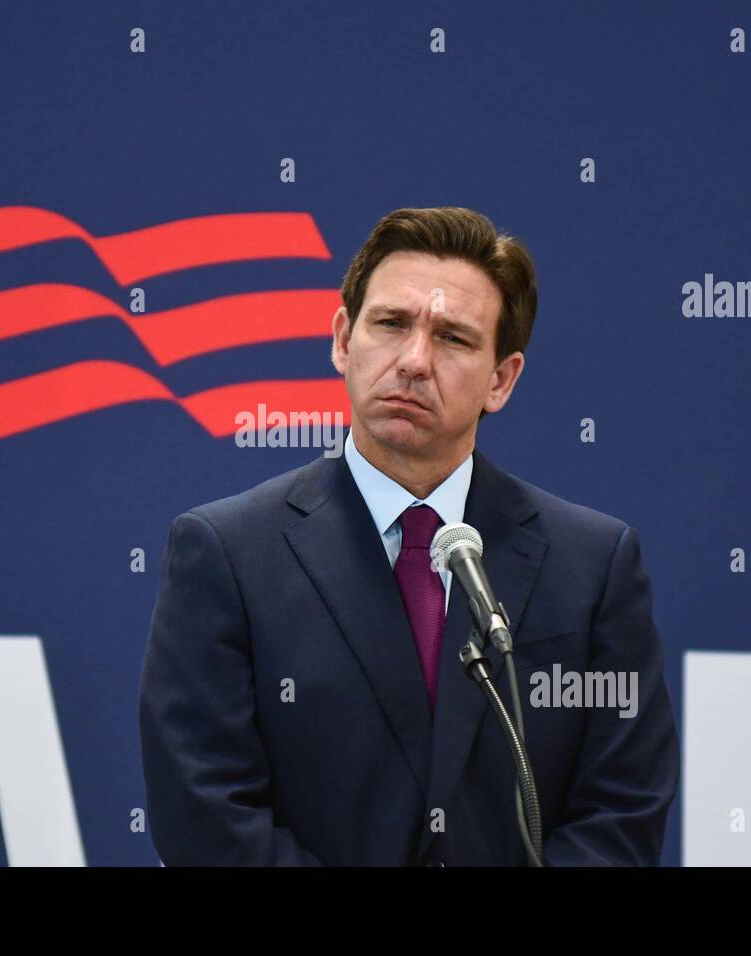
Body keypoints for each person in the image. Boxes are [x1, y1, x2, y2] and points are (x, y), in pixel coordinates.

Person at [138, 207, 679, 865]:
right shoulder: (225, 552)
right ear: (343, 339)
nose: (415, 361)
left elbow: (622, 815)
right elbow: (206, 817)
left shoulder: (594, 566)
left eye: (453, 338)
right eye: (391, 324)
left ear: (502, 379)